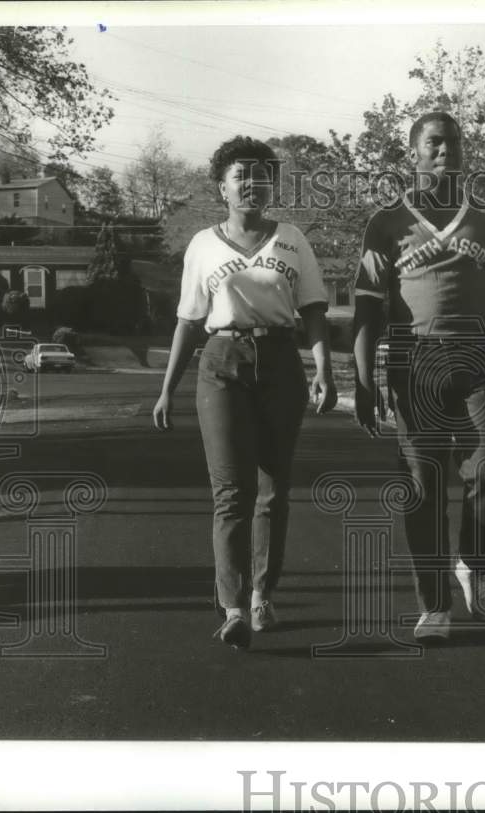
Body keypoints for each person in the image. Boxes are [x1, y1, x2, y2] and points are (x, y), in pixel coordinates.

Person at [352, 111, 485, 642]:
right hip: (415, 359)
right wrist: (363, 381)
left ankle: (473, 567)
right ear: (413, 153)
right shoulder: (387, 222)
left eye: (453, 142)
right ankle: (435, 604)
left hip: (478, 356)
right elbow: (367, 310)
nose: (445, 151)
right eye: (433, 143)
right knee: (423, 484)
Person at [153, 136, 337, 650]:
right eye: (240, 176)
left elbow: (316, 310)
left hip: (280, 361)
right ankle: (232, 606)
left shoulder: (293, 239)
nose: (251, 184)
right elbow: (189, 323)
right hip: (222, 363)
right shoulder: (203, 245)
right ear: (223, 187)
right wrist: (167, 389)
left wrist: (324, 370)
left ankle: (262, 596)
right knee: (231, 492)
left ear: (271, 185)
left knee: (273, 492)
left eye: (260, 176)